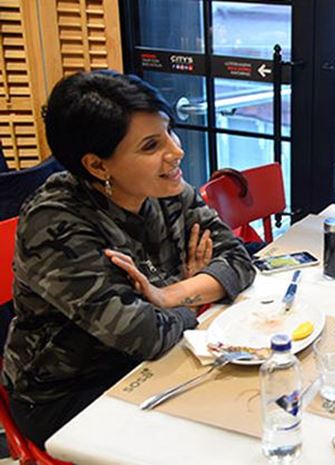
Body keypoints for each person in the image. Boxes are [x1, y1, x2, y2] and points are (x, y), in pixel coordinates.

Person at [3, 71, 256, 448]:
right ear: (97, 166)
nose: (176, 151)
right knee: (211, 442)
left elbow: (239, 260)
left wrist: (168, 295)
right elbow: (145, 335)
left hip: (157, 361)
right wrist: (195, 297)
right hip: (71, 392)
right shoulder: (55, 223)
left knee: (253, 404)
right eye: (151, 145)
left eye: (169, 131)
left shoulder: (167, 190)